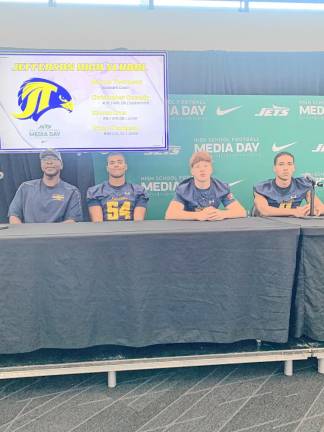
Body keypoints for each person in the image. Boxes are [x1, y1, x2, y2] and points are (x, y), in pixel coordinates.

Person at [165, 151, 246, 221]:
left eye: (206, 166)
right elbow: (170, 214)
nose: (202, 169)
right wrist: (198, 215)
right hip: (190, 229)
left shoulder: (221, 188)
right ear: (192, 171)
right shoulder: (184, 190)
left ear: (211, 169)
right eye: (197, 166)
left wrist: (222, 214)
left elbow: (241, 211)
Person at [8, 149, 82, 223]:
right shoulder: (25, 187)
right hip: (30, 234)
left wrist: (50, 233)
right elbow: (14, 216)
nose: (49, 162)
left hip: (59, 234)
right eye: (45, 159)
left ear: (61, 165)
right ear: (41, 165)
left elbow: (72, 221)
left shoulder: (71, 191)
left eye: (54, 159)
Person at [254, 151, 324, 217]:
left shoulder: (303, 185)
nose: (285, 168)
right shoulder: (262, 188)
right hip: (268, 225)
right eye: (281, 164)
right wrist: (294, 212)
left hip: (294, 225)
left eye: (289, 164)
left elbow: (321, 208)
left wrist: (314, 211)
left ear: (294, 168)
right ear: (274, 168)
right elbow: (264, 210)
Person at [87, 153, 148, 222]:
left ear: (125, 167)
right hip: (106, 231)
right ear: (107, 168)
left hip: (130, 231)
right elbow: (98, 223)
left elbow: (138, 223)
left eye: (120, 162)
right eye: (112, 163)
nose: (116, 165)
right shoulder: (96, 192)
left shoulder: (138, 191)